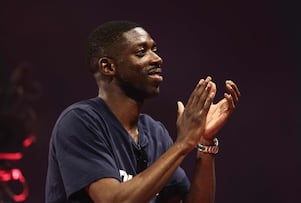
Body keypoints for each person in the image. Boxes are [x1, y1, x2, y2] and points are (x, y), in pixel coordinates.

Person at [45, 20, 240, 203]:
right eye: (141, 52)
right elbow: (112, 200)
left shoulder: (154, 132)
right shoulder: (80, 122)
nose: (157, 59)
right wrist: (184, 143)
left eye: (154, 50)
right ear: (108, 66)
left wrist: (205, 143)